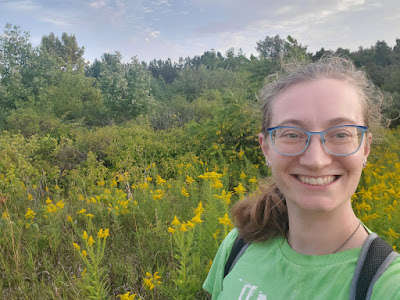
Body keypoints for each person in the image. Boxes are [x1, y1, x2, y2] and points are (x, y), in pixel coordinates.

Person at [203, 56, 400, 299]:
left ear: (365, 148)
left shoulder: (387, 286)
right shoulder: (239, 245)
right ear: (266, 148)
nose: (316, 161)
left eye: (340, 134)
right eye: (292, 134)